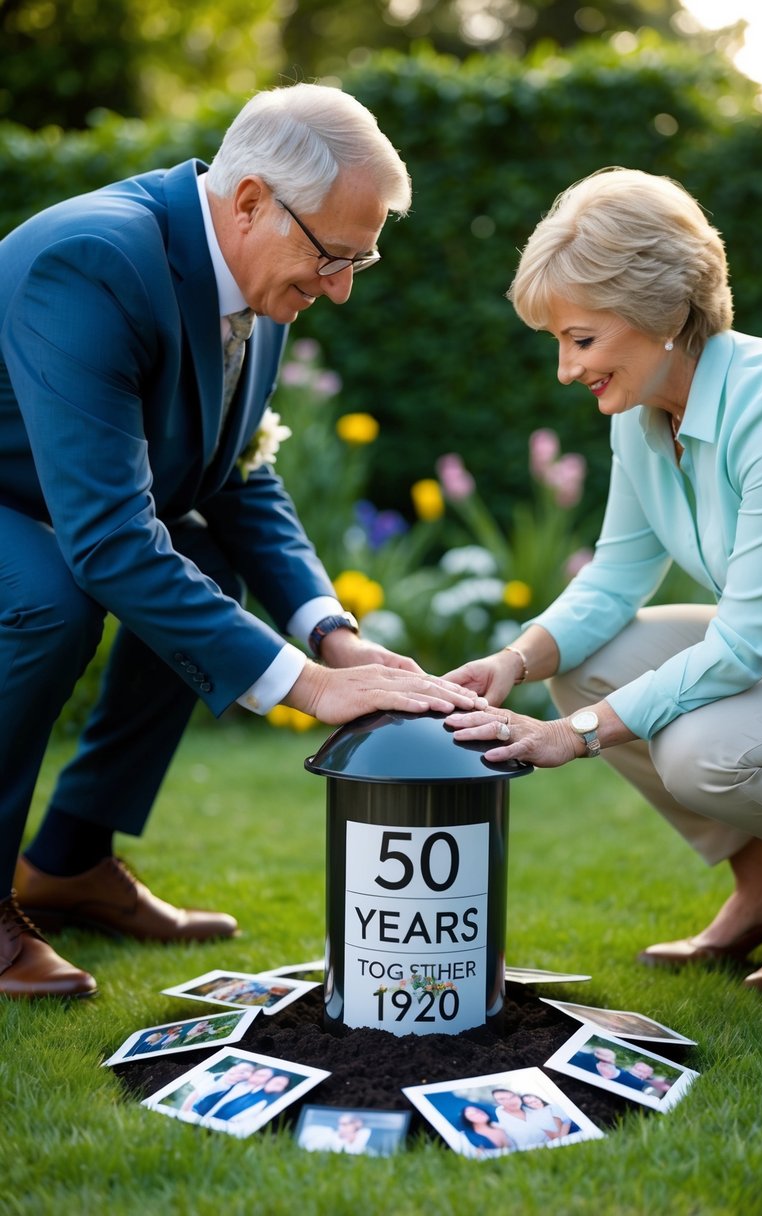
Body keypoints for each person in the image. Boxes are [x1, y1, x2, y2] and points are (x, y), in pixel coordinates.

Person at [0, 82, 485, 999]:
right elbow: (106, 539)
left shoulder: (249, 281)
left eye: (361, 263)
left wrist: (334, 637)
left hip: (41, 497)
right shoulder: (93, 259)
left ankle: (67, 859)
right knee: (47, 598)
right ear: (253, 200)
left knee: (207, 562)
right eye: (332, 257)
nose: (339, 291)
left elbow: (238, 474)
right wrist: (309, 689)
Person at [445, 166, 762, 993]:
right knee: (585, 659)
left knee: (702, 752)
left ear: (662, 315)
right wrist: (512, 663)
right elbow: (615, 579)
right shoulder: (646, 409)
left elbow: (744, 644)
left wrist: (578, 735)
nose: (563, 370)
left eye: (579, 340)